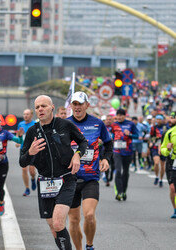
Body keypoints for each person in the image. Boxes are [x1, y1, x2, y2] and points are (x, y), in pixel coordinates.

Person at [20, 95, 87, 250]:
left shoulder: (65, 125)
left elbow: (83, 142)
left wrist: (77, 155)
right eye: (37, 107)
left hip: (66, 179)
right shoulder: (32, 132)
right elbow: (22, 161)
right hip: (45, 182)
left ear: (52, 108)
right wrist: (30, 152)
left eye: (44, 106)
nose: (40, 109)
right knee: (52, 225)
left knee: (58, 222)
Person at [67, 91, 113, 250]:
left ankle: (90, 245)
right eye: (75, 104)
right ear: (71, 106)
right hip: (69, 179)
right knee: (73, 220)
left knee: (89, 215)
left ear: (87, 105)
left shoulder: (97, 123)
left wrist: (106, 158)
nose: (77, 107)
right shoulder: (65, 124)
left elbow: (108, 143)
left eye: (80, 104)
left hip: (90, 177)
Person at [0, 113, 23, 220]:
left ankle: (1, 202)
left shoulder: (5, 133)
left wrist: (19, 136)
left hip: (2, 164)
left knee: (0, 187)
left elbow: (19, 141)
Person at [110, 108, 139, 201]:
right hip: (117, 151)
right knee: (118, 171)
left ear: (124, 116)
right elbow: (110, 135)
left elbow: (137, 135)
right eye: (117, 115)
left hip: (128, 151)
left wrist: (129, 134)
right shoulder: (114, 125)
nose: (118, 117)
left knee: (125, 172)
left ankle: (124, 191)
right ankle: (119, 192)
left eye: (120, 115)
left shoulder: (130, 124)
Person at [17, 109, 37, 196]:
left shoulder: (35, 124)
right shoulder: (20, 124)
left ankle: (33, 178)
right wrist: (18, 142)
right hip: (23, 149)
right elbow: (18, 135)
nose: (25, 116)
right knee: (24, 169)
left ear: (31, 115)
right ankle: (27, 188)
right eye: (24, 114)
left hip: (33, 149)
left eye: (27, 114)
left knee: (32, 171)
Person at [160, 112, 176, 218]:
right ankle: (175, 209)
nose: (169, 120)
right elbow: (162, 149)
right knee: (172, 188)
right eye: (169, 118)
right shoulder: (169, 133)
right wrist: (168, 149)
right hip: (172, 162)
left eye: (172, 118)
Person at [149, 114, 169, 187]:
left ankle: (161, 179)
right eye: (157, 119)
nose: (158, 121)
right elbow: (151, 137)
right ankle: (156, 176)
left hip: (163, 147)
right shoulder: (153, 128)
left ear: (162, 120)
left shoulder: (165, 127)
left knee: (163, 165)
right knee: (156, 162)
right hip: (155, 147)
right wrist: (151, 142)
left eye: (160, 119)